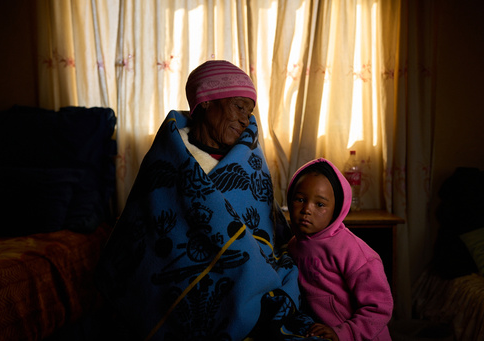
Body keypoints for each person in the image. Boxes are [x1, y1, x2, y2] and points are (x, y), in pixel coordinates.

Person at [96, 60, 320, 340]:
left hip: (247, 277)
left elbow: (265, 229)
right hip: (173, 283)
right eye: (239, 107)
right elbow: (142, 235)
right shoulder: (166, 158)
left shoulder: (251, 162)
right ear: (205, 101)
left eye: (249, 112)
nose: (246, 119)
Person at [287, 158, 393, 341]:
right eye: (300, 199)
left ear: (336, 209)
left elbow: (379, 307)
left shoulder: (354, 253)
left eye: (319, 204)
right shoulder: (293, 246)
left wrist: (345, 332)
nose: (306, 210)